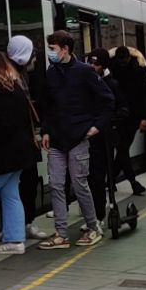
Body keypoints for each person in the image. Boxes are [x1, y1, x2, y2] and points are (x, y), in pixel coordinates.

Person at [39, 30, 115, 249]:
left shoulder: (85, 72)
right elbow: (47, 105)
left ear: (65, 49)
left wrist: (95, 127)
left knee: (79, 184)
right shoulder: (51, 73)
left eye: (52, 49)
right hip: (57, 137)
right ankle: (61, 233)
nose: (50, 53)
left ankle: (93, 226)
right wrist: (45, 130)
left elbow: (108, 100)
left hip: (78, 136)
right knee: (56, 185)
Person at [0, 52, 41, 254]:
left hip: (2, 155)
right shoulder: (17, 87)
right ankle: (15, 240)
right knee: (11, 195)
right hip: (20, 154)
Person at [6, 34, 49, 241]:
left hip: (24, 140)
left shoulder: (22, 74)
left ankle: (24, 223)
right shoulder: (12, 76)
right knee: (23, 184)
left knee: (26, 184)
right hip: (19, 142)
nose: (34, 59)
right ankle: (19, 227)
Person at [85, 48, 127, 223]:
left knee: (97, 176)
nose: (92, 66)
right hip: (88, 136)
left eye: (95, 64)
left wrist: (111, 120)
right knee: (90, 177)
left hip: (104, 137)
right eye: (89, 63)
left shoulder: (112, 84)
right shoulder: (85, 82)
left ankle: (99, 215)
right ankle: (94, 213)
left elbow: (123, 108)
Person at [109, 46, 146, 196]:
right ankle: (132, 182)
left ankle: (112, 179)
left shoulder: (114, 70)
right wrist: (145, 116)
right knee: (122, 148)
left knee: (122, 149)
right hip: (125, 116)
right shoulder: (138, 69)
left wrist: (145, 116)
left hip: (127, 116)